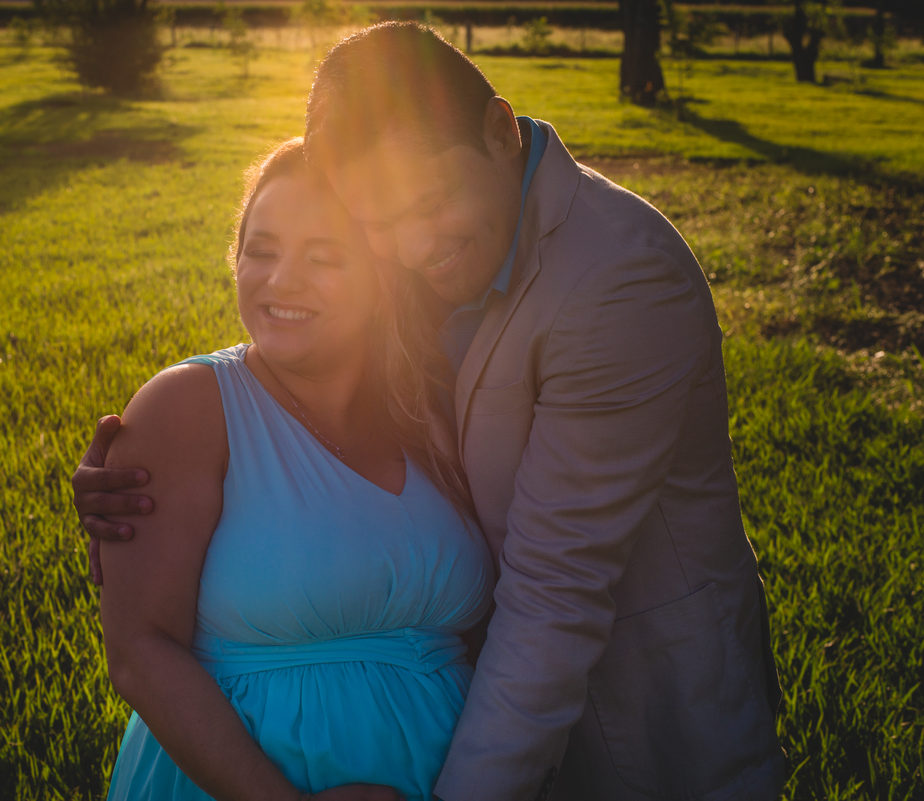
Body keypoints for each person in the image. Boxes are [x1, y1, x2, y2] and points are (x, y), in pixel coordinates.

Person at [76, 23, 785, 801]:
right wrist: (156, 474)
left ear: (500, 130)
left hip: (635, 699)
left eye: (429, 201)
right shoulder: (433, 264)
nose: (410, 245)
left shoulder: (618, 283)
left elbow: (558, 588)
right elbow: (302, 350)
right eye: (377, 223)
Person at [94, 138, 493, 801]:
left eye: (324, 256)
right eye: (262, 250)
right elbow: (138, 651)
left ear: (382, 276)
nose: (281, 281)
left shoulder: (435, 410)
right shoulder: (187, 406)